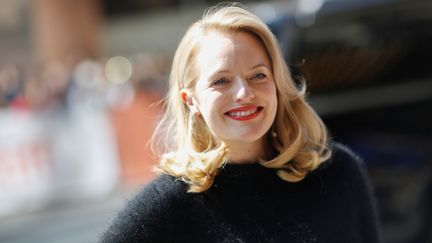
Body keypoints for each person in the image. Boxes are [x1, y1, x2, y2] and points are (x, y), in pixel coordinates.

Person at [100, 4, 380, 243]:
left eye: (258, 75)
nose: (244, 93)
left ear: (278, 84)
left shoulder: (339, 173)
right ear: (191, 100)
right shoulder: (168, 206)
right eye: (221, 81)